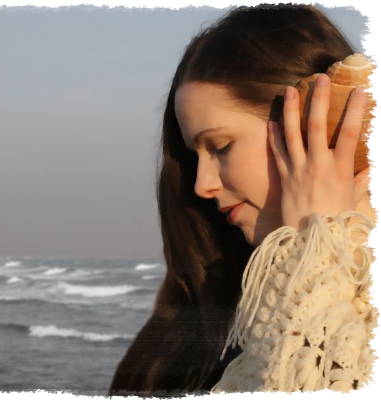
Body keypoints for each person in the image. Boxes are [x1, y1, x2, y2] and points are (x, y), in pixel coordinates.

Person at [106, 0, 381, 399]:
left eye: (221, 146)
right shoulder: (235, 316)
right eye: (194, 157)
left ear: (313, 122)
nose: (202, 185)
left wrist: (316, 250)